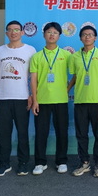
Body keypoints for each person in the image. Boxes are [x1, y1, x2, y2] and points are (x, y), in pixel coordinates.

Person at [0, 20, 36, 176]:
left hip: (22, 98)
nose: (13, 32)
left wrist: (32, 95)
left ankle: (23, 163)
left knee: (22, 133)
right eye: (10, 30)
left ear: (22, 32)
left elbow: (33, 76)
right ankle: (4, 163)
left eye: (16, 30)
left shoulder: (30, 50)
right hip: (2, 98)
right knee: (3, 133)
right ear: (6, 33)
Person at [30, 22, 70, 175]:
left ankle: (61, 161)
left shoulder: (66, 55)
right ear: (44, 35)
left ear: (59, 36)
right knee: (41, 132)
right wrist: (35, 100)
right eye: (49, 32)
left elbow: (76, 74)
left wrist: (67, 89)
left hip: (61, 100)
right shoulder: (37, 56)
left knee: (62, 132)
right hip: (42, 100)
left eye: (55, 32)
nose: (52, 35)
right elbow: (33, 79)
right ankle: (40, 162)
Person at [67, 25, 98, 178]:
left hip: (97, 101)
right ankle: (84, 162)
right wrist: (67, 89)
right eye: (84, 34)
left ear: (95, 37)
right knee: (81, 134)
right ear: (80, 38)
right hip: (80, 101)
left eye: (90, 34)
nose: (87, 37)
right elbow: (75, 76)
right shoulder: (75, 57)